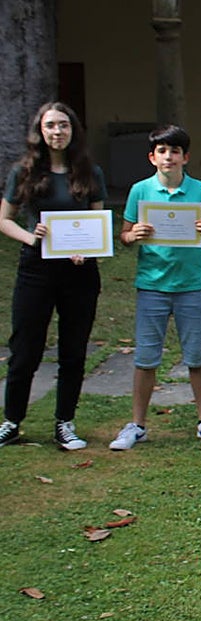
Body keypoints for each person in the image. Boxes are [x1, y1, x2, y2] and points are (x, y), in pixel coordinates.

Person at [110, 125, 201, 450]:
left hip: (191, 285)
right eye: (162, 151)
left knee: (197, 355)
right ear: (152, 157)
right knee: (146, 357)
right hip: (152, 285)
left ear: (185, 157)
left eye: (175, 151)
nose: (169, 157)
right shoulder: (140, 191)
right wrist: (133, 235)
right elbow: (124, 234)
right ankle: (137, 424)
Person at [0, 103, 106, 450]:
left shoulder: (90, 172)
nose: (57, 132)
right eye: (50, 126)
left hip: (79, 271)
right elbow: (5, 220)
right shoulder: (24, 172)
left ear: (73, 130)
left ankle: (65, 422)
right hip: (36, 267)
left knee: (73, 350)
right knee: (24, 349)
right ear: (40, 131)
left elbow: (98, 222)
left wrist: (86, 249)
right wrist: (32, 238)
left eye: (63, 125)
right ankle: (12, 421)